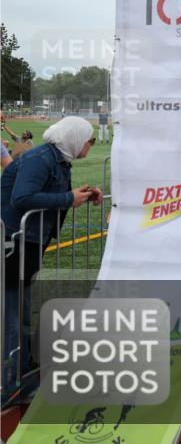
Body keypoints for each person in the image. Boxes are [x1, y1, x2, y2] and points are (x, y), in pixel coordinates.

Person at [2, 117, 103, 406]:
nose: (90, 144)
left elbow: (52, 194)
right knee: (12, 314)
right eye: (89, 138)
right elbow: (22, 198)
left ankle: (22, 376)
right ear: (74, 137)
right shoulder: (40, 158)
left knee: (20, 311)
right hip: (13, 242)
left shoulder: (55, 160)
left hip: (27, 242)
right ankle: (11, 386)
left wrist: (80, 194)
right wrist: (68, 198)